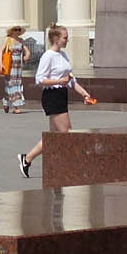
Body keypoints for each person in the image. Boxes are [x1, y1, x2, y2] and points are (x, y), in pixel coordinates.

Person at [20, 26, 92, 177]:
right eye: (65, 37)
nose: (67, 40)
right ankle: (75, 167)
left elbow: (70, 79)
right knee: (67, 133)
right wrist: (59, 80)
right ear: (56, 39)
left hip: (61, 94)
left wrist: (84, 94)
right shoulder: (48, 56)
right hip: (52, 96)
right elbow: (39, 79)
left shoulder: (63, 55)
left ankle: (27, 159)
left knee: (54, 136)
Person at [0, 26, 27, 114]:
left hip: (18, 66)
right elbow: (1, 51)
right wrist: (1, 64)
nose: (17, 31)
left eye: (19, 30)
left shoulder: (21, 40)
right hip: (10, 65)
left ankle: (6, 101)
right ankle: (16, 106)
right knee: (11, 84)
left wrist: (27, 56)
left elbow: (27, 51)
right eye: (15, 30)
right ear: (12, 31)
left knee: (16, 84)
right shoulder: (8, 39)